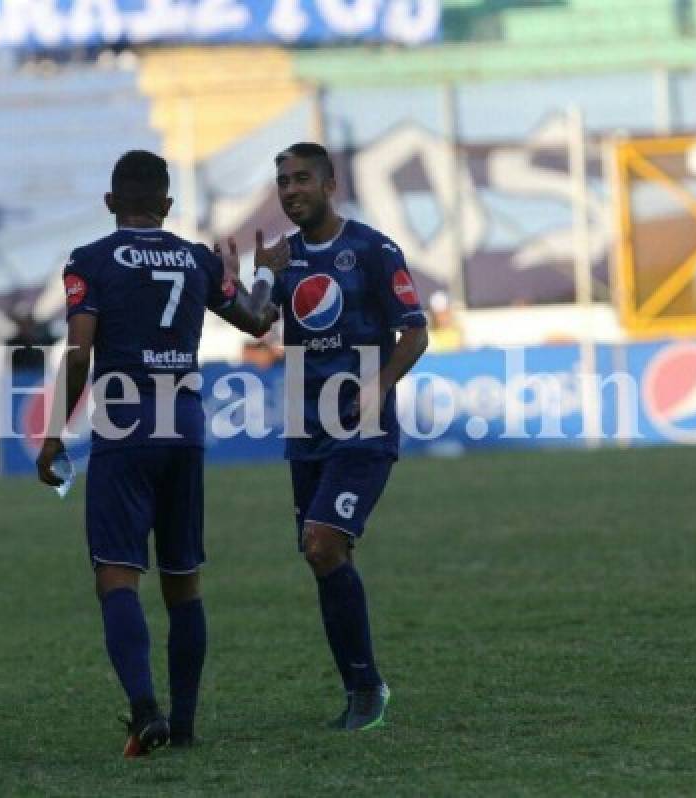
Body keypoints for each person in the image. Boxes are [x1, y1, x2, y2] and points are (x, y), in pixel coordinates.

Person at [34, 150, 276, 756]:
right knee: (182, 581)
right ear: (167, 206)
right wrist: (264, 272)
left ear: (110, 202)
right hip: (186, 426)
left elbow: (82, 352)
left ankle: (146, 712)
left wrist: (55, 432)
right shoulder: (196, 259)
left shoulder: (89, 261)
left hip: (125, 427)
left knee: (117, 574)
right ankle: (187, 726)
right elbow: (256, 320)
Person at [249, 142, 429, 731]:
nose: (291, 190)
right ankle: (359, 687)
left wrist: (379, 382)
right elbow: (257, 322)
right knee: (322, 555)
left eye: (302, 178)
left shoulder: (373, 250)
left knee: (323, 544)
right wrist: (253, 279)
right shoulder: (285, 258)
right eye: (283, 181)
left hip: (362, 430)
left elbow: (415, 333)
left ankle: (367, 688)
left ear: (329, 184)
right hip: (306, 433)